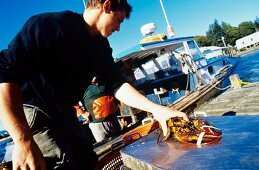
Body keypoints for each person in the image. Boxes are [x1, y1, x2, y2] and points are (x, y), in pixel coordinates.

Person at [0, 0, 188, 169]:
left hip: (66, 116)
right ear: (106, 6)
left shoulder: (100, 46)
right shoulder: (47, 26)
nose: (119, 28)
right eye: (119, 20)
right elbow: (5, 72)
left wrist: (157, 110)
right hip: (36, 118)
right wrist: (22, 140)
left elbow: (117, 85)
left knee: (88, 162)